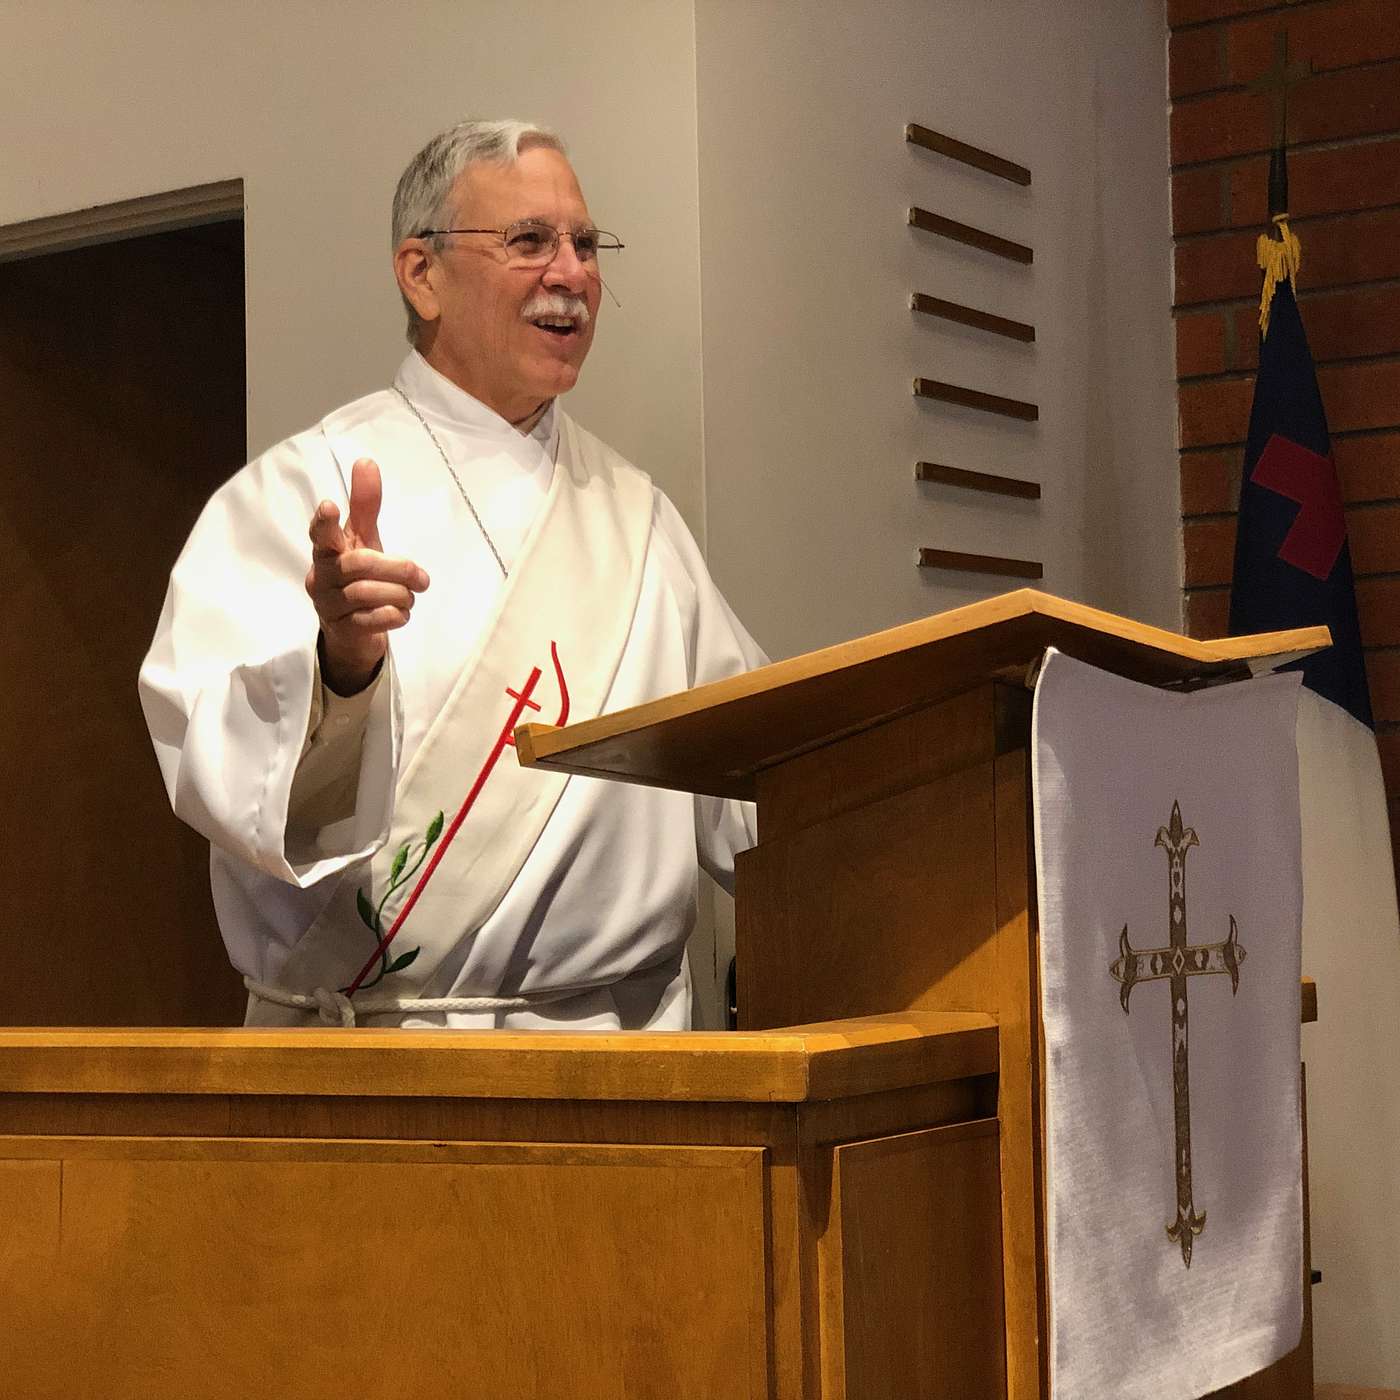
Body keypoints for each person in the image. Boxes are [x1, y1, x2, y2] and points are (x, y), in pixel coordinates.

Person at [139, 119, 765, 1030]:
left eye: (586, 244)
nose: (572, 273)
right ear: (421, 274)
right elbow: (223, 777)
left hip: (625, 1055)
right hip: (373, 1059)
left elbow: (751, 778)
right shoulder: (294, 492)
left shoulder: (638, 520)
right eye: (530, 241)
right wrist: (339, 672)